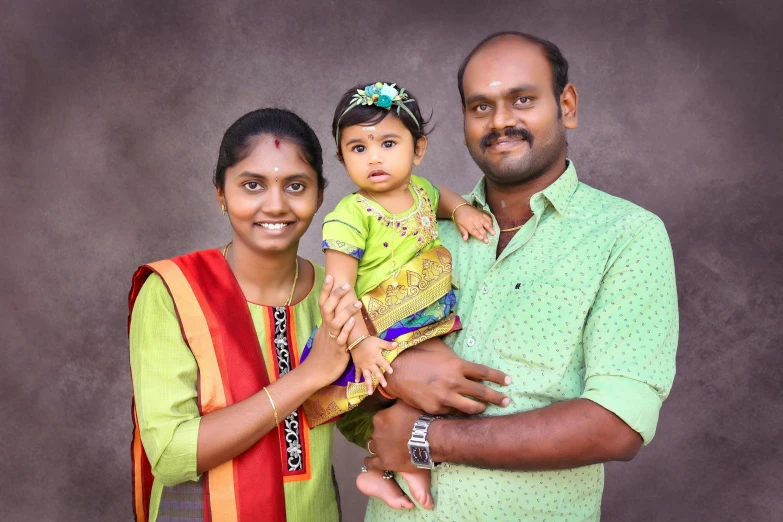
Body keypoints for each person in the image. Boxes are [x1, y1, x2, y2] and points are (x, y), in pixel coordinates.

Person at [339, 31, 679, 521]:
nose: (501, 121)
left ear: (567, 105)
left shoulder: (626, 236)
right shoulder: (418, 231)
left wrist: (428, 439)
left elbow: (618, 425)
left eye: (522, 99)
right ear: (463, 125)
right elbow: (334, 359)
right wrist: (393, 377)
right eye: (481, 107)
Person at [127, 108, 361, 522]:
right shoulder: (172, 291)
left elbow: (357, 416)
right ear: (221, 193)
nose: (275, 205)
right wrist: (307, 376)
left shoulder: (336, 293)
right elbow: (170, 454)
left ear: (320, 196)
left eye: (295, 185)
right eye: (252, 185)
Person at [300, 81, 497, 510]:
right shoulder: (348, 217)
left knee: (431, 393)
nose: (374, 157)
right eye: (357, 148)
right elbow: (337, 294)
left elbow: (439, 197)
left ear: (418, 149)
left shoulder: (421, 192)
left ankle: (381, 470)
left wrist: (461, 208)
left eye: (388, 142)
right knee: (390, 396)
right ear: (341, 158)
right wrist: (360, 342)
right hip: (373, 324)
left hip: (419, 316)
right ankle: (383, 467)